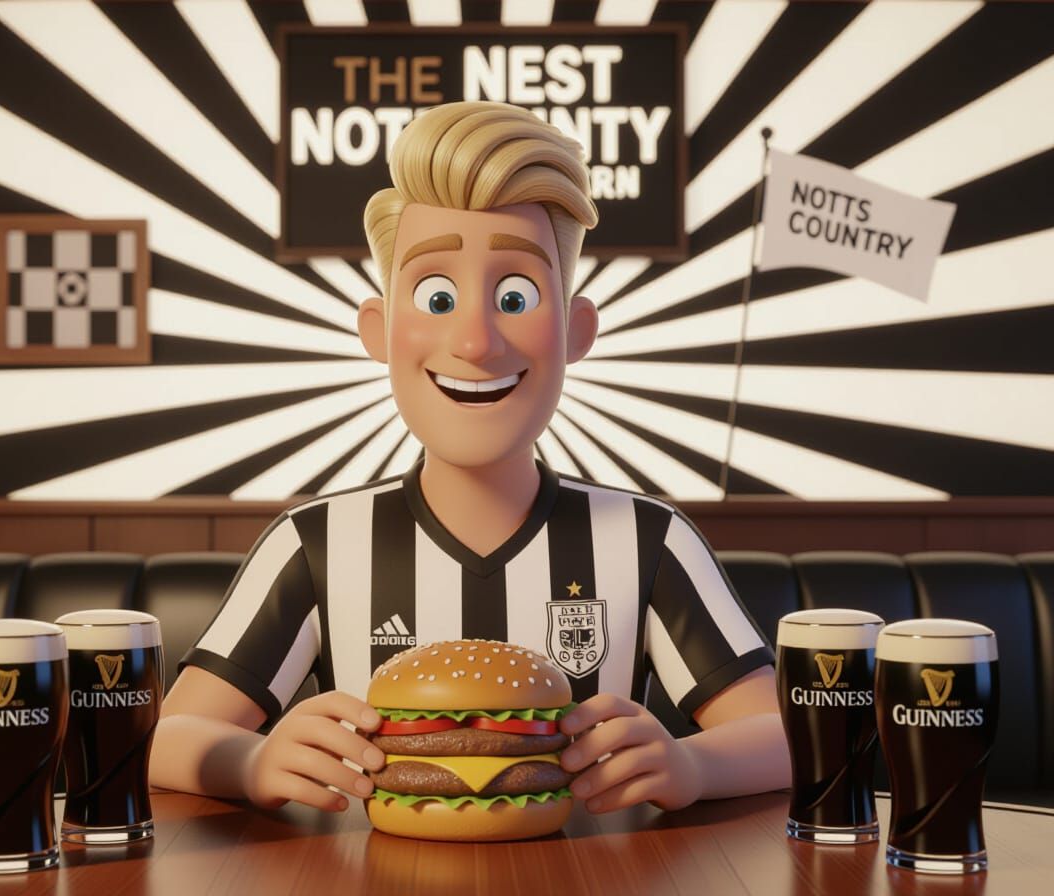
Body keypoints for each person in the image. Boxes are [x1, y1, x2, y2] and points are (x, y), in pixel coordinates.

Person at [152, 101, 789, 815]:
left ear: (575, 329)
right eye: (437, 295)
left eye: (515, 295)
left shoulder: (650, 538)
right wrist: (251, 759)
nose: (477, 341)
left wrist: (691, 765)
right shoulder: (315, 542)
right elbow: (170, 734)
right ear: (379, 329)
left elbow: (781, 734)